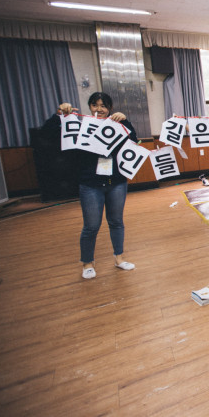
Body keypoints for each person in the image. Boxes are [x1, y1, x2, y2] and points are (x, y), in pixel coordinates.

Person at [42, 93, 137, 279]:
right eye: (95, 105)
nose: (99, 109)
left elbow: (134, 140)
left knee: (117, 222)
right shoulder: (81, 125)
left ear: (110, 108)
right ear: (89, 107)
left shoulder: (117, 124)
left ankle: (119, 258)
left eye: (103, 106)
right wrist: (59, 114)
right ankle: (87, 263)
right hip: (90, 184)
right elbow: (48, 133)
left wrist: (125, 121)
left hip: (117, 182)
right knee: (91, 226)